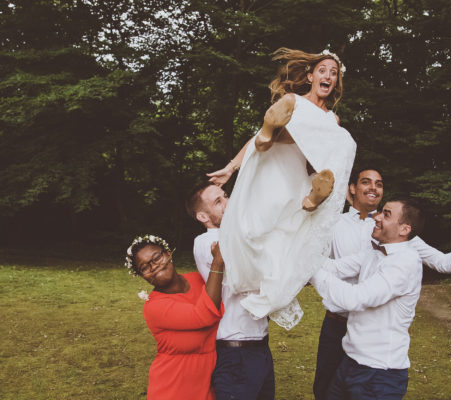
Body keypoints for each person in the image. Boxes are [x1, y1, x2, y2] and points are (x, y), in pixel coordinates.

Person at [313, 167, 451, 399]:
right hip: (340, 328)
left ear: (404, 229)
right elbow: (326, 263)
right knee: (325, 389)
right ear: (352, 188)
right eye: (366, 182)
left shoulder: (404, 243)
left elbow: (444, 262)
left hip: (378, 350)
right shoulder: (338, 225)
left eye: (379, 184)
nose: (373, 188)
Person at [208, 48, 356, 329]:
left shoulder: (332, 121)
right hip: (270, 161)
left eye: (333, 73)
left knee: (344, 141)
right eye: (323, 70)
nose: (328, 76)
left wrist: (320, 176)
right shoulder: (292, 101)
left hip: (296, 175)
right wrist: (231, 167)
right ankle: (269, 131)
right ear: (311, 75)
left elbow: (320, 162)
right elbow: (251, 142)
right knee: (255, 225)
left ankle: (315, 197)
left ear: (336, 82)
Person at [310, 198, 425, 399]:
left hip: (379, 375)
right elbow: (333, 268)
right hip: (349, 363)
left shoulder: (405, 262)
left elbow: (355, 298)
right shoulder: (373, 254)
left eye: (386, 214)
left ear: (404, 230)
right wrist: (299, 253)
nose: (377, 217)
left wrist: (308, 271)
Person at [186, 183, 275, 400]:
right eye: (218, 202)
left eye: (225, 196)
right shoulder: (206, 242)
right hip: (235, 352)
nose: (228, 202)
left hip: (260, 346)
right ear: (202, 216)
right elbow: (252, 272)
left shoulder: (240, 236)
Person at [124, 234, 225, 400]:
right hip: (173, 389)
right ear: (142, 276)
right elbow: (204, 314)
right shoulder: (154, 307)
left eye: (156, 257)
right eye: (144, 267)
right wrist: (218, 263)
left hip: (208, 384)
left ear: (168, 253)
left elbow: (223, 305)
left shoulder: (198, 279)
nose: (153, 266)